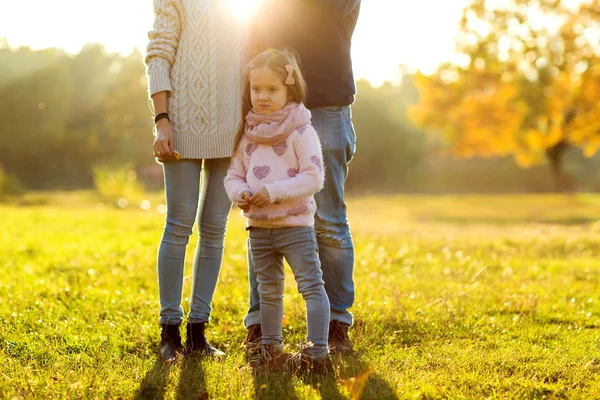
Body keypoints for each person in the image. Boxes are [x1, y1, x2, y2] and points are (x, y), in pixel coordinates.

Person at [244, 0, 361, 353]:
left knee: (327, 219)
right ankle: (260, 326)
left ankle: (336, 322)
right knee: (262, 216)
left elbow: (322, 12)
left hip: (325, 105)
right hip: (268, 106)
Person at [144, 0, 246, 362]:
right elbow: (158, 54)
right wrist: (162, 120)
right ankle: (169, 330)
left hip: (233, 130)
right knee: (178, 225)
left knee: (215, 228)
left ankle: (198, 331)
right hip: (182, 127)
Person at [224, 49, 331, 371]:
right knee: (268, 292)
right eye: (257, 89)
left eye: (272, 89)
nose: (263, 97)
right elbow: (234, 174)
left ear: (289, 89)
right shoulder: (249, 133)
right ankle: (272, 351)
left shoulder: (301, 131)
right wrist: (240, 192)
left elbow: (313, 177)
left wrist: (271, 193)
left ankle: (317, 354)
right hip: (259, 230)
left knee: (311, 286)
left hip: (295, 226)